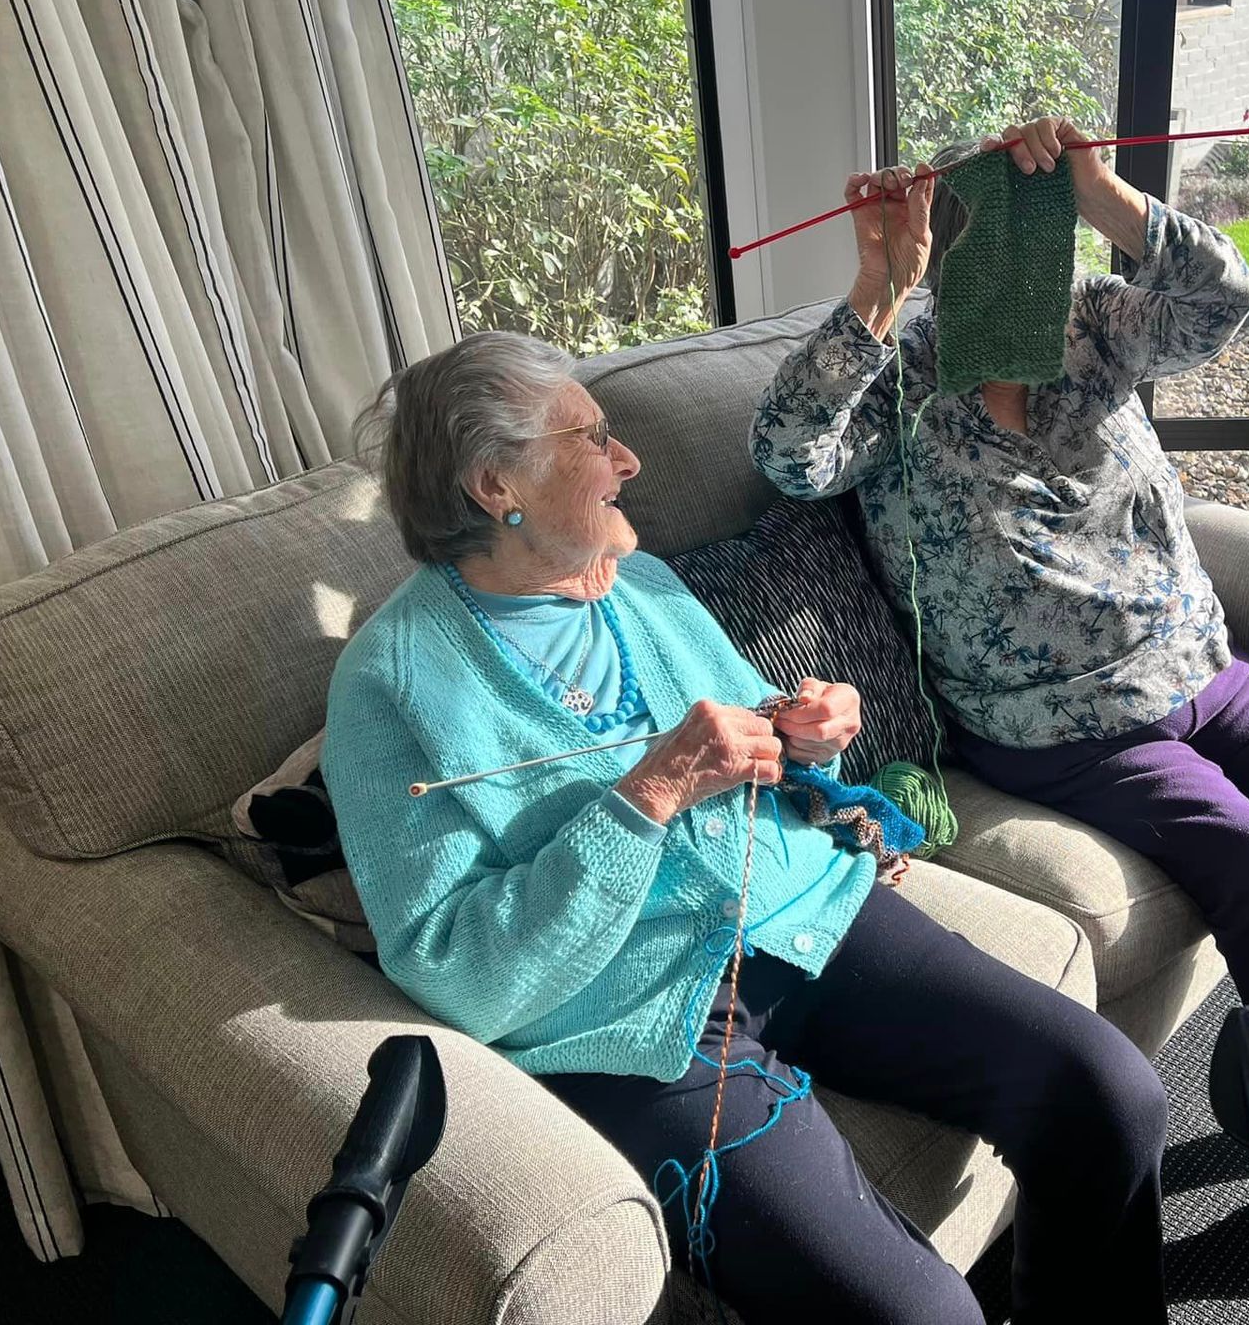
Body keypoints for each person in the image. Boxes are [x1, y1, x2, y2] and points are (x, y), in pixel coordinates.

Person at [749, 117, 1249, 1318]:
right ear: (946, 261)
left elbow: (1225, 299)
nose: (1022, 285)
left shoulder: (1090, 327)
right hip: (1062, 727)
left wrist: (1103, 193)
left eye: (1041, 251)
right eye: (988, 261)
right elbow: (789, 456)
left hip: (1200, 672)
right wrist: (878, 285)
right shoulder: (898, 385)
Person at [323, 331, 1170, 1325]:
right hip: (632, 1024)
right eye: (592, 441)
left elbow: (745, 737)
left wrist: (804, 732)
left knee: (1111, 1092)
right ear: (493, 482)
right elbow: (454, 967)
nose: (627, 462)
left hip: (802, 910)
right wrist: (645, 797)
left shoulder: (636, 584)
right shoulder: (391, 687)